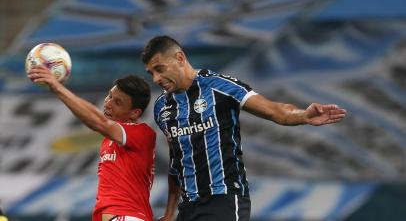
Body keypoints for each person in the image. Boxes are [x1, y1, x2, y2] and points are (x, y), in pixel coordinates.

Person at [141, 35, 347, 221]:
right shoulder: (162, 107)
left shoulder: (219, 86)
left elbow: (275, 110)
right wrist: (170, 212)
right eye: (151, 73)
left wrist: (303, 115)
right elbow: (177, 163)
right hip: (188, 207)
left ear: (179, 58)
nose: (156, 79)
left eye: (160, 69)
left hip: (224, 199)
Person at [28, 66, 156, 221]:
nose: (108, 104)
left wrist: (57, 87)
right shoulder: (110, 140)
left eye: (117, 102)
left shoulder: (142, 133)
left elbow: (98, 122)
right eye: (109, 96)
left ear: (134, 113)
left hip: (128, 216)